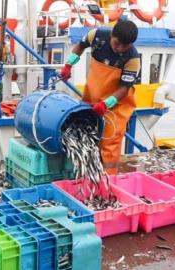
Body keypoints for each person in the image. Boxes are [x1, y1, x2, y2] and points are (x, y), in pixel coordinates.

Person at [60, 20, 140, 175]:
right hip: (92, 96)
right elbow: (80, 47)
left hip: (116, 106)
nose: (120, 48)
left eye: (125, 46)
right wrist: (69, 64)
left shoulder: (133, 59)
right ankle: (85, 173)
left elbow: (124, 88)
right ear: (112, 35)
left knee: (109, 142)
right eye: (117, 43)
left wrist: (106, 103)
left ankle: (109, 179)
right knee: (85, 134)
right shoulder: (96, 35)